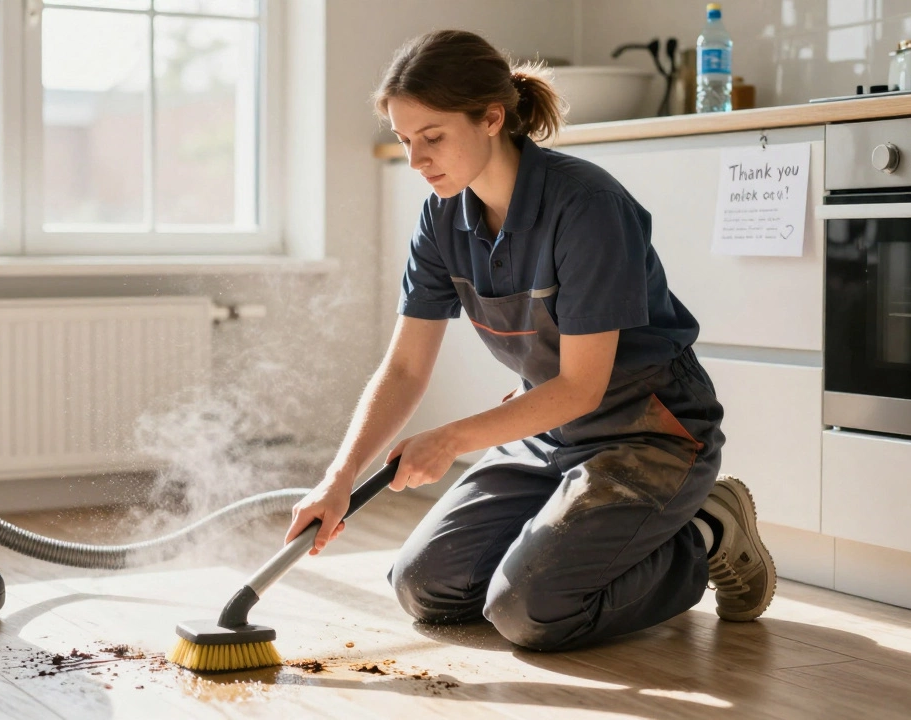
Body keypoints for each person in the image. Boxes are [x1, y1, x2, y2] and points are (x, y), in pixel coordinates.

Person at [285, 29, 776, 652]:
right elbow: (406, 367)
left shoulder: (586, 206)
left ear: (492, 117)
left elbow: (582, 385)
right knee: (424, 588)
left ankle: (705, 532)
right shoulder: (442, 219)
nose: (415, 160)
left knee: (530, 612)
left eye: (432, 137)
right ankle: (574, 543)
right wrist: (337, 477)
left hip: (649, 431)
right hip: (549, 432)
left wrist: (452, 439)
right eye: (405, 140)